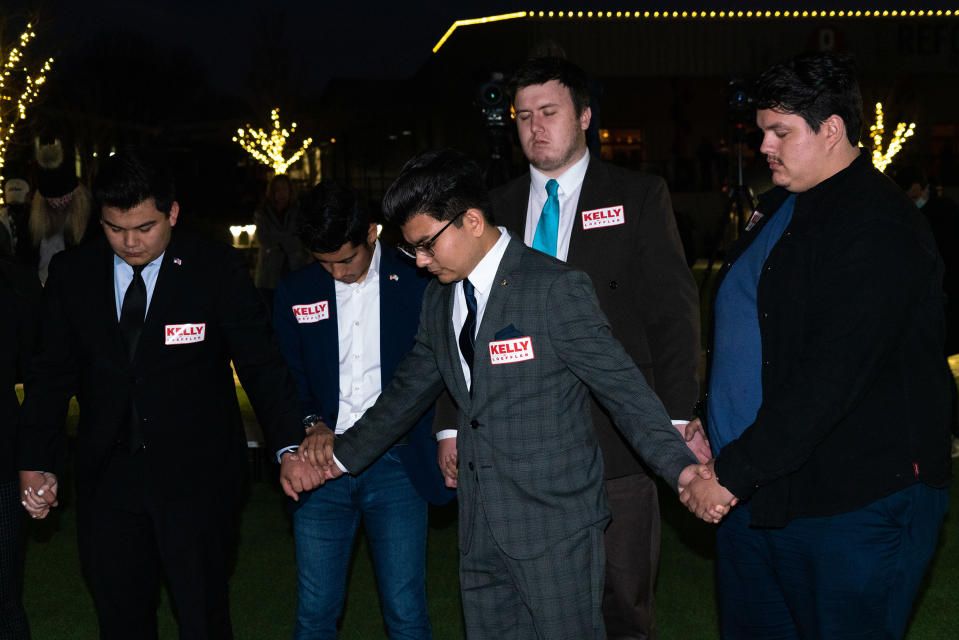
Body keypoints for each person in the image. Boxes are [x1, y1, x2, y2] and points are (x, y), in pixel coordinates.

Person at [298, 149, 719, 640]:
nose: (422, 262)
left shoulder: (553, 289)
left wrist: (684, 471)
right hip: (479, 532)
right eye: (414, 250)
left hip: (556, 532)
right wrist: (335, 461)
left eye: (428, 245)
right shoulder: (439, 298)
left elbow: (623, 390)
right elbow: (404, 395)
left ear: (472, 220)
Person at [681, 52, 953, 639]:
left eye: (781, 132)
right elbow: (756, 332)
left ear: (832, 129)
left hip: (851, 502)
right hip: (762, 490)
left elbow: (833, 374)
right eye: (761, 132)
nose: (765, 147)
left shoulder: (880, 225)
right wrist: (713, 419)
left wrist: (732, 472)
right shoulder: (781, 203)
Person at [17, 147, 313, 638]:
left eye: (145, 227)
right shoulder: (74, 274)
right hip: (108, 481)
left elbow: (261, 365)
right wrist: (36, 459)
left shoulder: (214, 269)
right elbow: (50, 377)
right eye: (115, 228)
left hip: (198, 482)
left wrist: (288, 446)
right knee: (121, 620)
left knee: (202, 617)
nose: (130, 242)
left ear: (172, 212)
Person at [470, 55, 702, 640]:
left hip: (617, 437)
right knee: (532, 605)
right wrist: (451, 427)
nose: (534, 127)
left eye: (549, 112)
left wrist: (672, 417)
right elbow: (462, 325)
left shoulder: (638, 195)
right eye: (523, 116)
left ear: (586, 116)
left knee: (622, 601)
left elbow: (673, 315)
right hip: (522, 445)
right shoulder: (492, 211)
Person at [272, 182, 454, 639]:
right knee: (314, 611)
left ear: (373, 232)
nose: (335, 272)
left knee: (406, 610)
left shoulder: (417, 281)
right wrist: (310, 424)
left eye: (345, 260)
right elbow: (285, 375)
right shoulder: (296, 290)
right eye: (324, 261)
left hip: (396, 461)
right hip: (319, 464)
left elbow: (441, 369)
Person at [895, 164, 959, 458]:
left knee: (937, 365)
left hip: (945, 298)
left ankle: (951, 429)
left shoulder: (943, 212)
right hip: (929, 299)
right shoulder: (909, 212)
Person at [0, 258, 41, 640]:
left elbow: (40, 378)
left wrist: (39, 460)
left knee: (3, 596)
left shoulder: (14, 284)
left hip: (2, 463)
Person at [254, 173, 311, 313]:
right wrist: (290, 239)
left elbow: (303, 239)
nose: (281, 194)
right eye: (277, 190)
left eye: (284, 189)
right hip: (269, 275)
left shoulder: (299, 212)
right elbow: (264, 239)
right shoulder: (262, 213)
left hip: (295, 269)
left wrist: (279, 240)